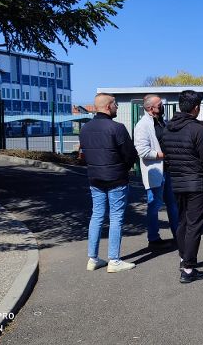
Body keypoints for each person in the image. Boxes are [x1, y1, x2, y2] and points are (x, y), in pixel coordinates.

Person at [162, 90, 203, 284]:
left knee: (182, 223)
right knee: (194, 226)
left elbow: (167, 157)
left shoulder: (168, 128)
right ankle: (188, 269)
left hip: (177, 182)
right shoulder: (198, 129)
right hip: (198, 184)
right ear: (196, 108)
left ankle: (183, 258)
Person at [79, 93, 138, 273]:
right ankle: (114, 260)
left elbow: (85, 154)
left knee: (96, 215)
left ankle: (93, 258)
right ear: (108, 106)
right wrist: (125, 167)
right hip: (116, 178)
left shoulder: (85, 129)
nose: (117, 107)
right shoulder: (117, 128)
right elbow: (129, 154)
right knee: (116, 218)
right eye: (116, 104)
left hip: (94, 177)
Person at [134, 94, 179, 249]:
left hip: (168, 171)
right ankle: (153, 239)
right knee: (154, 205)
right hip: (155, 172)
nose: (163, 106)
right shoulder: (142, 125)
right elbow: (143, 152)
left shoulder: (162, 122)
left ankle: (178, 235)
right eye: (160, 105)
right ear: (150, 108)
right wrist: (163, 155)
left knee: (173, 205)